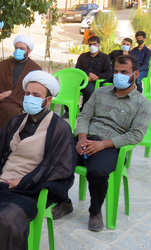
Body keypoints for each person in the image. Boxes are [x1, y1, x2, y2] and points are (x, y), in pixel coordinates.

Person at [0, 71, 76, 249]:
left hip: (29, 190)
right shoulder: (16, 121)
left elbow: (59, 166)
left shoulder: (60, 128)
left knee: (5, 220)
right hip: (0, 181)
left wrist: (25, 181)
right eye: (27, 94)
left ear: (47, 101)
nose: (29, 98)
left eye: (36, 95)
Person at [53, 55, 151, 232]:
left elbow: (136, 135)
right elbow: (84, 116)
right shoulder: (100, 92)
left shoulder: (142, 104)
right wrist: (81, 138)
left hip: (110, 145)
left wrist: (103, 144)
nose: (118, 75)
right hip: (86, 138)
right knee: (58, 159)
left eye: (124, 72)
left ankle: (95, 211)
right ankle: (63, 201)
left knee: (97, 172)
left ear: (136, 74)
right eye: (116, 72)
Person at [75, 35, 112, 110]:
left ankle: (84, 110)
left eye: (94, 44)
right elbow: (77, 69)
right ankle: (69, 110)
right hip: (81, 79)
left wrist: (96, 77)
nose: (92, 46)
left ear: (99, 44)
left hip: (95, 81)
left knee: (89, 91)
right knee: (68, 88)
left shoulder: (105, 57)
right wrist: (89, 74)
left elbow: (108, 73)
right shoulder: (83, 56)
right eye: (90, 44)